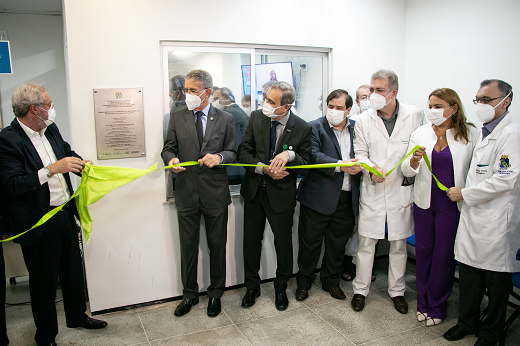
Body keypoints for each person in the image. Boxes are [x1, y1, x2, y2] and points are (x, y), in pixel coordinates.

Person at [0, 83, 107, 346]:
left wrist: (80, 163)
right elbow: (11, 185)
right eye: (48, 104)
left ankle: (77, 316)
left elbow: (66, 153)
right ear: (34, 109)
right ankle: (46, 336)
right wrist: (51, 169)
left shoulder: (50, 128)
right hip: (36, 222)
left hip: (63, 213)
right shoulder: (7, 140)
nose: (52, 108)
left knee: (73, 270)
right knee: (44, 282)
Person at [444, 80, 520, 346]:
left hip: (498, 221)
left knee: (497, 284)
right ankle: (466, 323)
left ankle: (490, 334)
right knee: (469, 277)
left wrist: (464, 193)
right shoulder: (484, 132)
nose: (481, 105)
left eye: (487, 99)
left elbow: (505, 179)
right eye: (478, 100)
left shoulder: (512, 134)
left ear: (506, 100)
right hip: (474, 216)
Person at [161, 70, 237, 318]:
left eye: (192, 90)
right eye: (186, 89)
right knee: (188, 247)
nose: (187, 95)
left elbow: (233, 152)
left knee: (217, 247)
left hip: (215, 193)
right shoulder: (177, 117)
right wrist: (171, 159)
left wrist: (220, 157)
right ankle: (189, 295)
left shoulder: (224, 118)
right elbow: (168, 148)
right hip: (186, 192)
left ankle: (216, 294)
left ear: (206, 91)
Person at [401, 88, 479, 326]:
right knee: (424, 254)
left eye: (438, 106)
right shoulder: (421, 133)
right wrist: (413, 160)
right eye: (431, 106)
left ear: (453, 108)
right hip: (424, 204)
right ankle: (423, 302)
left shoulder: (470, 134)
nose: (432, 110)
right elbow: (406, 169)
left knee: (444, 256)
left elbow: (476, 171)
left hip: (452, 206)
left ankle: (437, 304)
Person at [351, 69, 425, 314]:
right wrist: (370, 169)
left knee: (399, 245)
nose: (373, 94)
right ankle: (360, 290)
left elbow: (418, 151)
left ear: (394, 93)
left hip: (400, 189)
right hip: (373, 188)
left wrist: (411, 167)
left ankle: (397, 291)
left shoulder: (415, 115)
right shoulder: (363, 119)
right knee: (367, 244)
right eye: (371, 89)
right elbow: (361, 154)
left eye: (379, 90)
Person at [238, 81, 311, 311]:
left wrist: (290, 156)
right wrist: (264, 168)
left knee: (283, 244)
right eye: (265, 98)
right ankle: (252, 287)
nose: (265, 104)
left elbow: (306, 162)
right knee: (251, 243)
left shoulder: (302, 127)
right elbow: (243, 153)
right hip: (254, 192)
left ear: (286, 107)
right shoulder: (256, 118)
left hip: (281, 196)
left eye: (271, 101)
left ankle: (281, 289)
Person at [295, 89, 361, 302]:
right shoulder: (314, 127)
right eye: (330, 106)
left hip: (346, 198)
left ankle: (331, 282)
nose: (333, 111)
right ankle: (304, 283)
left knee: (336, 245)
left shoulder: (357, 129)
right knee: (309, 245)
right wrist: (341, 166)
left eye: (339, 108)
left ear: (348, 110)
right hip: (317, 198)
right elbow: (313, 155)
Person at [342, 84, 373, 281]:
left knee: (368, 232)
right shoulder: (352, 123)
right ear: (357, 101)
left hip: (372, 184)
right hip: (354, 182)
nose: (368, 100)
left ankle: (366, 268)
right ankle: (349, 263)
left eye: (371, 95)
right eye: (363, 97)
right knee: (352, 229)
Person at [213, 87, 250, 184]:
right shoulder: (237, 111)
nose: (214, 102)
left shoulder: (229, 114)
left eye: (216, 99)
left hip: (234, 168)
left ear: (226, 97)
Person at [163, 75, 187, 200]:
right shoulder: (172, 117)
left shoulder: (171, 117)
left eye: (169, 93)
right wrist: (171, 158)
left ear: (177, 93)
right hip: (181, 183)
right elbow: (168, 148)